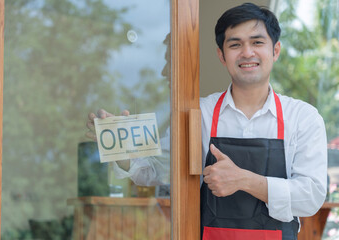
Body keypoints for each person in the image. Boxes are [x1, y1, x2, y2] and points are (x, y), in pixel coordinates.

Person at [87, 3, 327, 240]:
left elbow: (311, 197)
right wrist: (121, 150)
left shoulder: (303, 118)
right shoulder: (198, 113)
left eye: (257, 42)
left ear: (275, 50)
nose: (247, 52)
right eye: (235, 44)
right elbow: (157, 169)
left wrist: (244, 180)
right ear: (221, 55)